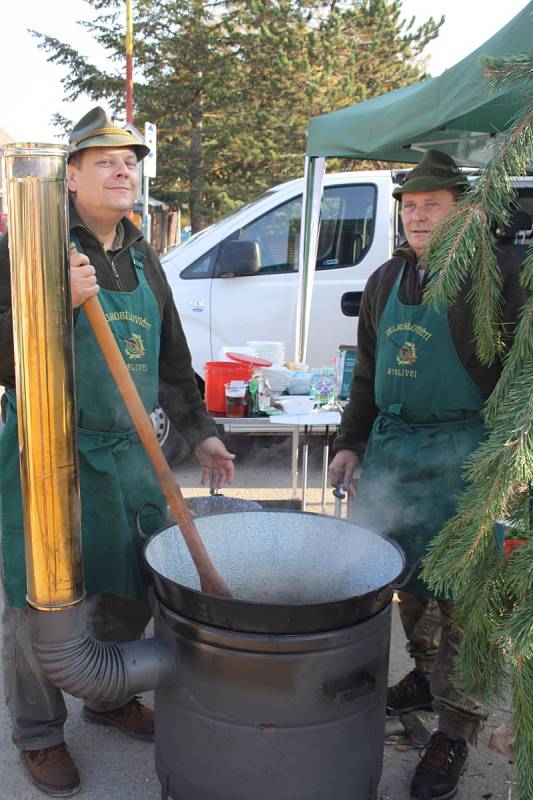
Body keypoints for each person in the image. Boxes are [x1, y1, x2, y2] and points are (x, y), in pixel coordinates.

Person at [0, 107, 235, 797]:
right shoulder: (30, 247)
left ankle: (106, 695)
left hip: (131, 453)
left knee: (132, 585)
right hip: (51, 453)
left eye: (130, 159)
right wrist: (52, 302)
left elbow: (170, 356)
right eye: (105, 159)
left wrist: (203, 432)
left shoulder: (142, 254)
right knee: (38, 602)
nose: (123, 168)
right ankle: (39, 734)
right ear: (70, 176)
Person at [329, 150, 525, 800]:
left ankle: (455, 728)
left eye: (431, 205)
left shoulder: (500, 276)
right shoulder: (387, 279)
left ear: (464, 211)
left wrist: (514, 462)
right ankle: (420, 670)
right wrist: (350, 443)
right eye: (409, 206)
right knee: (403, 583)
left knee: (463, 599)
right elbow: (365, 373)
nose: (417, 215)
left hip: (466, 457)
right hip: (393, 454)